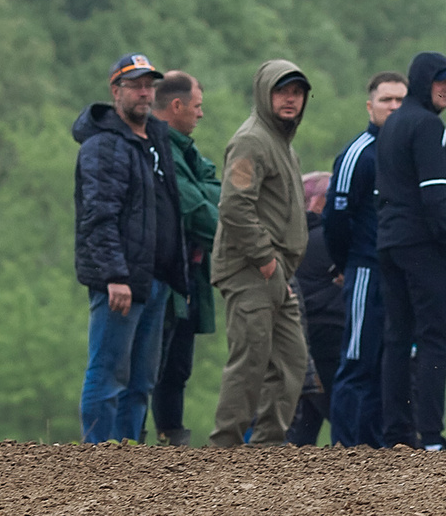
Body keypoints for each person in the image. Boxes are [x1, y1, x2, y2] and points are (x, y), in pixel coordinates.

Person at [71, 53, 187, 444]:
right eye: (135, 85)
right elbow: (98, 217)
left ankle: (128, 463)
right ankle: (98, 459)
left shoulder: (154, 139)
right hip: (122, 282)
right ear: (115, 91)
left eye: (149, 85)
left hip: (155, 279)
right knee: (107, 377)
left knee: (140, 382)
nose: (144, 92)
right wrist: (114, 275)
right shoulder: (104, 146)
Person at [210, 59, 312, 447]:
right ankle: (225, 447)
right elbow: (234, 207)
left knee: (291, 358)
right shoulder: (252, 140)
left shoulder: (281, 143)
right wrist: (267, 261)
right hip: (250, 268)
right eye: (282, 91)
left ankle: (268, 447)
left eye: (297, 92)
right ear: (264, 94)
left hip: (275, 273)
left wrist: (277, 270)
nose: (291, 100)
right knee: (250, 360)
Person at [374, 51, 446, 451]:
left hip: (389, 242)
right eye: (442, 80)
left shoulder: (392, 123)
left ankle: (396, 432)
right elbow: (434, 195)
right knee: (433, 337)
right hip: (424, 245)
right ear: (423, 81)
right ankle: (430, 436)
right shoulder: (429, 126)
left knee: (397, 337)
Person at [322, 72, 406, 448]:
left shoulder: (407, 151)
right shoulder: (358, 153)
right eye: (386, 100)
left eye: (400, 101)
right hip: (365, 270)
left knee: (387, 365)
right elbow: (335, 217)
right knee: (357, 360)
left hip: (397, 276)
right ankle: (344, 448)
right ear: (369, 106)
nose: (393, 107)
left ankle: (372, 449)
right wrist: (346, 264)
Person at [149, 72, 220, 447]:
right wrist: (234, 235)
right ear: (176, 106)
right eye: (197, 106)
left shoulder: (184, 150)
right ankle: (141, 443)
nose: (201, 114)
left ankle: (170, 442)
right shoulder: (162, 149)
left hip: (189, 270)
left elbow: (212, 186)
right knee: (155, 365)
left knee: (177, 366)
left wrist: (204, 194)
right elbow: (193, 208)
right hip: (166, 270)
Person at [289, 172, 346, 445]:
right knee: (346, 420)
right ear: (320, 202)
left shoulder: (297, 240)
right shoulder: (328, 239)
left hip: (305, 335)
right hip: (331, 333)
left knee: (305, 425)